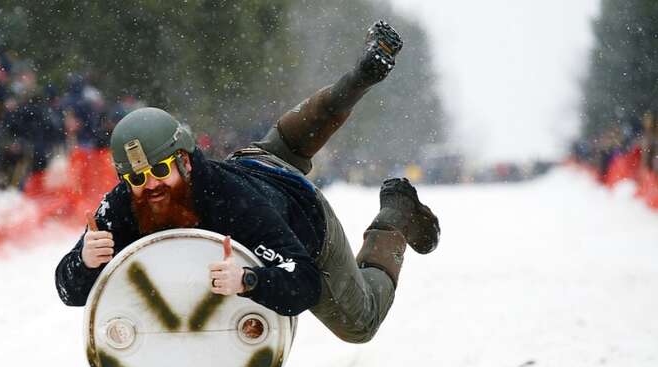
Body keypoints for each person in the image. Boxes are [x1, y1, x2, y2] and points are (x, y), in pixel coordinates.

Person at [55, 21, 440, 344]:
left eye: (160, 171)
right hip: (253, 164)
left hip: (300, 215)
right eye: (136, 178)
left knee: (359, 325)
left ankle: (394, 216)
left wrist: (250, 278)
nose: (149, 184)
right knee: (290, 142)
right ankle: (358, 78)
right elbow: (67, 289)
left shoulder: (233, 206)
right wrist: (83, 262)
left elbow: (303, 283)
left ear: (185, 161)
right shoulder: (122, 204)